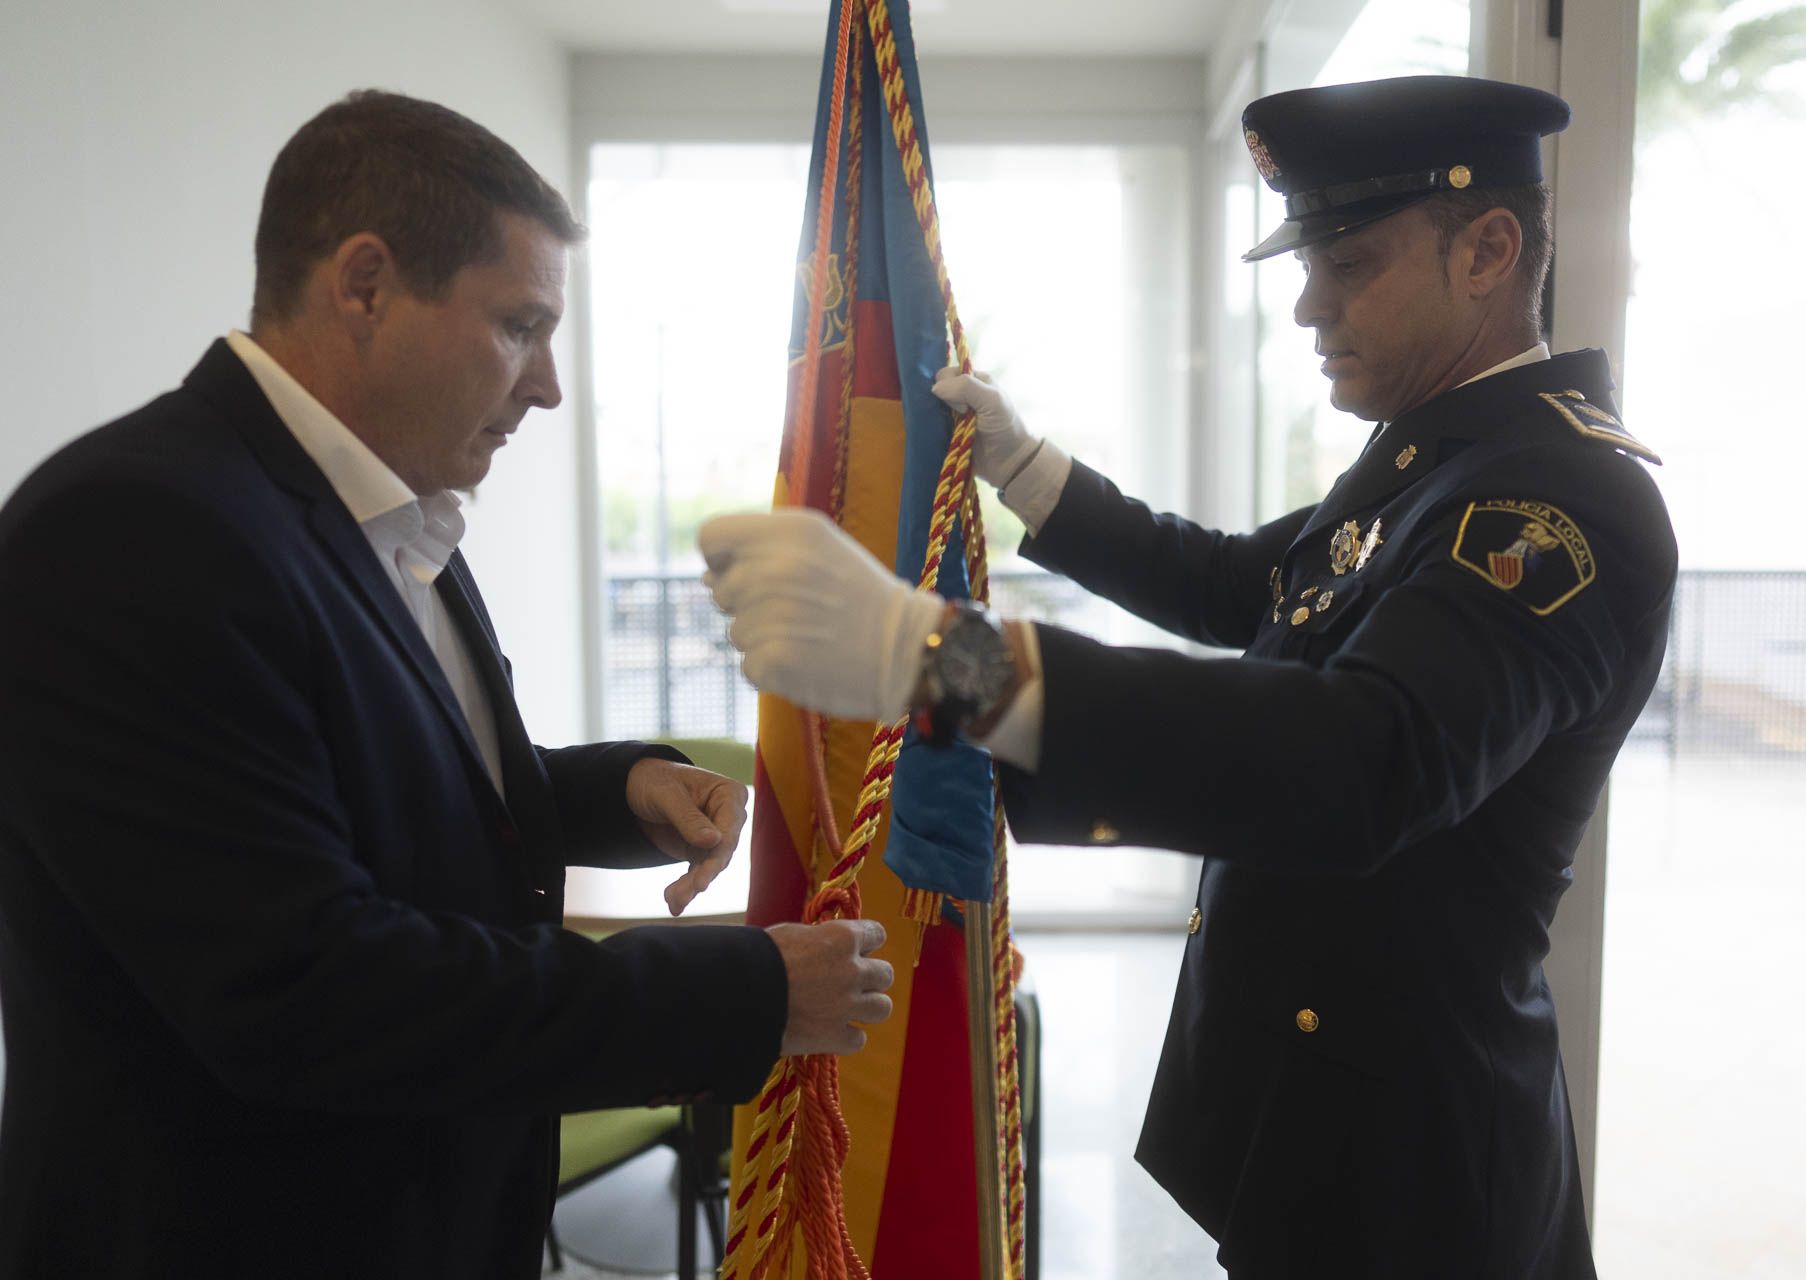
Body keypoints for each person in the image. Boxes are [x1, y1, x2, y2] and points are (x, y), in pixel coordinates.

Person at [700, 76, 1676, 1277]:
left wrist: (945, 663)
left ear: (1487, 248)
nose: (1310, 306)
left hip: (1414, 1162)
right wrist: (1026, 464)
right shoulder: (1435, 461)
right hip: (1315, 1102)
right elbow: (1246, 588)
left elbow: (1360, 758)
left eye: (1349, 263)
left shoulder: (1560, 498)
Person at [0, 90, 892, 1280]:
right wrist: (743, 987)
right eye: (521, 325)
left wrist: (620, 787)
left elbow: (387, 791)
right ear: (364, 285)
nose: (549, 388)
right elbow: (308, 986)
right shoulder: (134, 528)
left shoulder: (391, 516)